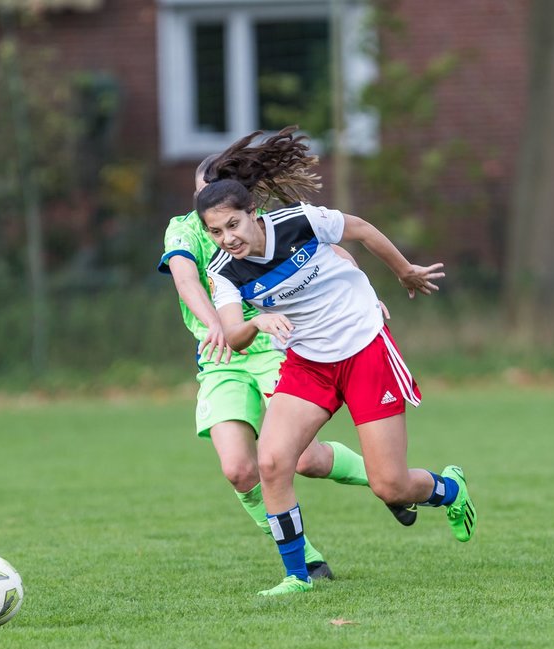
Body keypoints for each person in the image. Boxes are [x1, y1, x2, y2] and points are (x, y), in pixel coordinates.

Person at [197, 127, 477, 596]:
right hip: (309, 363)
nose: (227, 238)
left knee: (389, 485)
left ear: (254, 214)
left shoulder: (299, 222)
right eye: (215, 231)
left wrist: (404, 271)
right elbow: (232, 335)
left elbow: (361, 229)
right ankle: (296, 576)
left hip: (365, 348)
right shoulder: (224, 273)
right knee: (272, 462)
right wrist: (257, 324)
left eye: (233, 225)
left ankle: (449, 490)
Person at [157, 148, 416, 582]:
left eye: (218, 193)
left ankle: (392, 487)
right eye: (203, 199)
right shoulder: (186, 232)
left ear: (241, 196)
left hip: (281, 346)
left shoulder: (282, 223)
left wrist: (363, 294)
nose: (209, 203)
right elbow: (186, 278)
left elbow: (336, 252)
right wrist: (218, 328)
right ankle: (305, 565)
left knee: (307, 461)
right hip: (225, 352)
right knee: (243, 468)